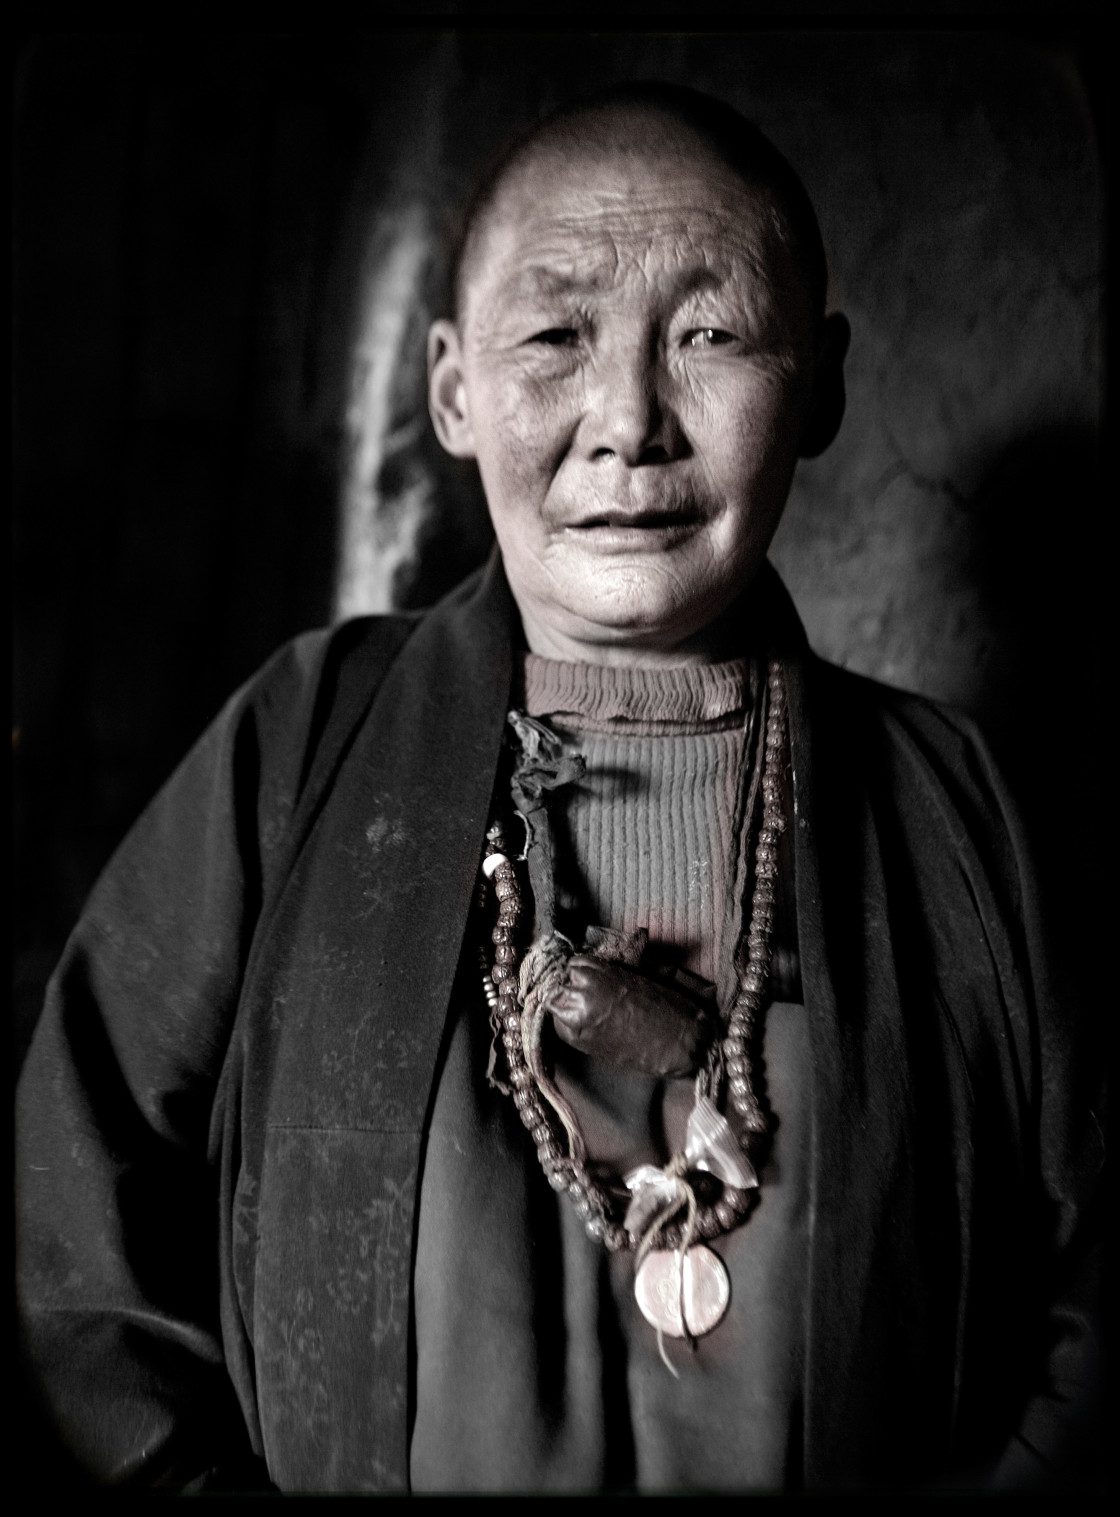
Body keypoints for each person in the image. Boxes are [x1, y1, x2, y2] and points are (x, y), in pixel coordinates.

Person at [16, 82, 1101, 1493]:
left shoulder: (957, 813)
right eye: (556, 337)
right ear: (454, 390)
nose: (630, 422)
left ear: (821, 385)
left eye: (710, 333)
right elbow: (63, 1242)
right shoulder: (298, 748)